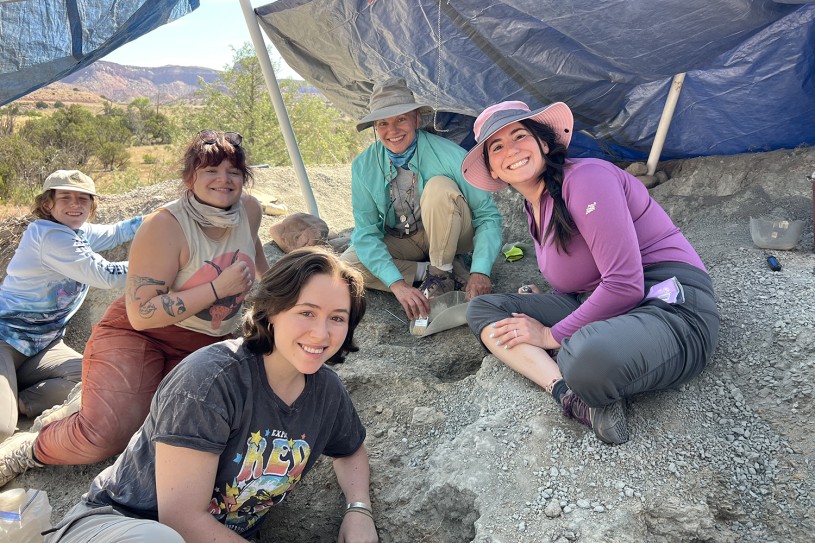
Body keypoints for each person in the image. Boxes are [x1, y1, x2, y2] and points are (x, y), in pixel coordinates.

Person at [44, 247, 377, 543]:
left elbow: (350, 449)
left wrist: (359, 509)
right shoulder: (210, 381)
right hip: (121, 525)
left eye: (337, 318)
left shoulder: (325, 390)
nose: (321, 333)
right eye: (307, 312)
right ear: (272, 312)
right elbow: (182, 521)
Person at [0, 130, 270, 487]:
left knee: (205, 427)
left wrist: (286, 288)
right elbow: (142, 313)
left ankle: (87, 398)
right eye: (210, 170)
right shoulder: (163, 226)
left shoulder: (249, 209)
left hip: (202, 341)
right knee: (107, 434)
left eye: (233, 171)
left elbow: (254, 253)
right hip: (143, 334)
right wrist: (217, 287)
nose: (223, 179)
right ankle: (28, 448)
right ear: (189, 177)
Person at [461, 101, 720, 445]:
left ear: (543, 142)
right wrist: (550, 304)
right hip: (604, 304)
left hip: (670, 304)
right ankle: (569, 395)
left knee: (584, 356)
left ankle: (573, 366)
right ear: (493, 169)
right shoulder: (533, 204)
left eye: (519, 135)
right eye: (497, 146)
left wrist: (549, 335)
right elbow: (587, 276)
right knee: (482, 310)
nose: (512, 149)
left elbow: (625, 284)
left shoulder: (586, 178)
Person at [341, 78, 503, 320]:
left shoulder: (449, 154)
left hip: (453, 235)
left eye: (401, 119)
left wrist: (481, 271)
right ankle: (437, 272)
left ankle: (441, 271)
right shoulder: (362, 166)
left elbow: (487, 215)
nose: (392, 131)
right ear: (375, 127)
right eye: (383, 123)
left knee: (439, 187)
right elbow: (366, 232)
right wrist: (397, 283)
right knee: (345, 267)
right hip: (403, 240)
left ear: (416, 119)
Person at [0, 170, 142, 442]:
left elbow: (116, 233)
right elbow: (106, 275)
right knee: (2, 429)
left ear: (91, 205)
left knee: (96, 380)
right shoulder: (48, 235)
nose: (75, 204)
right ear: (47, 204)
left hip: (44, 346)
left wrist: (169, 215)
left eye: (83, 199)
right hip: (4, 341)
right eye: (65, 197)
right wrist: (165, 264)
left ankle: (18, 399)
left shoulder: (78, 230)